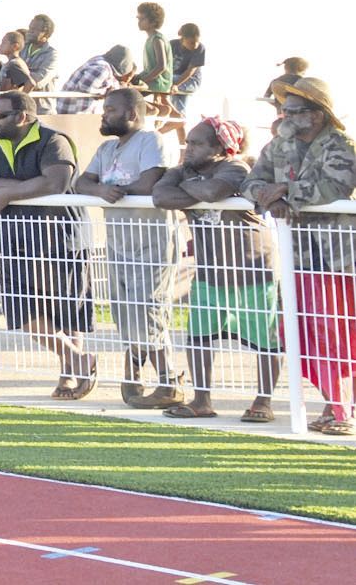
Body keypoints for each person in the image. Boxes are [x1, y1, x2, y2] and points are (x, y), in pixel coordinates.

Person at [245, 77, 356, 434]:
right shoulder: (278, 146)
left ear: (317, 115)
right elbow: (250, 182)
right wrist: (272, 197)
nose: (284, 115)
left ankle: (342, 411)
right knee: (301, 332)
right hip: (298, 257)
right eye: (284, 109)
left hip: (338, 258)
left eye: (293, 110)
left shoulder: (341, 145)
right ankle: (333, 404)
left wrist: (287, 191)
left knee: (336, 334)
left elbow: (336, 187)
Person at [154, 117, 281, 423]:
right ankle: (201, 400)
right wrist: (194, 186)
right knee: (198, 336)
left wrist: (187, 189)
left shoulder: (236, 167)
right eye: (189, 142)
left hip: (252, 270)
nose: (188, 148)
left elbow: (214, 191)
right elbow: (160, 196)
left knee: (266, 340)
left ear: (220, 147)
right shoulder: (184, 169)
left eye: (197, 143)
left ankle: (263, 401)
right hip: (210, 272)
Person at [0, 90, 96, 399]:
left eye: (1, 116)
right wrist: (15, 190)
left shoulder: (53, 140)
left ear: (22, 117)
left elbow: (56, 182)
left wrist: (6, 193)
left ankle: (69, 374)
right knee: (23, 311)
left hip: (60, 237)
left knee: (66, 311)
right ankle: (78, 358)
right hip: (14, 238)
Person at [74, 88, 182, 408]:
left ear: (131, 114)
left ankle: (168, 380)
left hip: (152, 241)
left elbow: (151, 182)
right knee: (124, 309)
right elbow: (82, 182)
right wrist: (100, 190)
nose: (104, 115)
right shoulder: (107, 148)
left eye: (110, 110)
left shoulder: (151, 140)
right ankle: (135, 367)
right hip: (118, 242)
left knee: (149, 308)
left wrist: (113, 191)